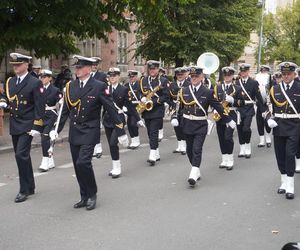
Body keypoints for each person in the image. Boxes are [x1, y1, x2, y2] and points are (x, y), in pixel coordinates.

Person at [50, 55, 128, 210]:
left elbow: (111, 108)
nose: (77, 70)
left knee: (83, 162)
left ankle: (92, 194)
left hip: (90, 130)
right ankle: (84, 196)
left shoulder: (99, 86)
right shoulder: (70, 86)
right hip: (75, 131)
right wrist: (55, 130)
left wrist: (120, 130)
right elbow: (64, 111)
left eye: (79, 67)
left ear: (88, 69)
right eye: (76, 67)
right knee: (77, 166)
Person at [176, 66, 235, 186]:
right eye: (192, 76)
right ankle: (196, 169)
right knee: (189, 150)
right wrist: (174, 118)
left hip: (200, 125)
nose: (194, 78)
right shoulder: (183, 90)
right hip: (187, 124)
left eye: (196, 76)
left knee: (197, 149)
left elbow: (219, 106)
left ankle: (193, 173)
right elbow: (179, 107)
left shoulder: (208, 92)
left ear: (202, 77)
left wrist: (228, 119)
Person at [0, 53, 45, 202]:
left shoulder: (34, 82)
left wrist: (37, 126)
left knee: (21, 154)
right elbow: (6, 96)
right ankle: (31, 186)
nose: (15, 67)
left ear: (26, 65)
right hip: (15, 123)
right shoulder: (11, 81)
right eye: (13, 65)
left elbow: (39, 106)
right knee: (22, 156)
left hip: (27, 125)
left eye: (18, 65)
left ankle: (24, 190)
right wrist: (3, 101)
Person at [266, 61, 300, 199]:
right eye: (284, 74)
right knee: (280, 154)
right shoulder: (275, 89)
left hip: (295, 125)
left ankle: (290, 184)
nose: (286, 76)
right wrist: (269, 118)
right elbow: (268, 106)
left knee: (289, 154)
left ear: (294, 74)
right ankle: (283, 181)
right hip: (279, 125)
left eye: (289, 74)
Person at [103, 67, 143, 178]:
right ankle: (115, 166)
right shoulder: (105, 89)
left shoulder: (123, 89)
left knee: (112, 142)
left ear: (118, 76)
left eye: (114, 76)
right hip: (107, 119)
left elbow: (130, 106)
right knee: (111, 146)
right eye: (110, 76)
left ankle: (118, 168)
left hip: (119, 120)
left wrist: (138, 119)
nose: (112, 78)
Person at [214, 67, 245, 170]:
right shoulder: (217, 87)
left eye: (229, 75)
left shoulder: (237, 88)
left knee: (228, 137)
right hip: (220, 115)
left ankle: (230, 159)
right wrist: (214, 109)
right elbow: (214, 100)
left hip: (231, 114)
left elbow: (242, 103)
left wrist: (233, 100)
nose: (227, 77)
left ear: (232, 76)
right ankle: (224, 159)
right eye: (226, 75)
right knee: (221, 138)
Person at [139, 60, 169, 166]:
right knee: (149, 133)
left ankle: (152, 155)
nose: (152, 71)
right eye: (150, 69)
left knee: (153, 132)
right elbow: (139, 91)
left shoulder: (163, 81)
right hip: (146, 111)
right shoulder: (143, 80)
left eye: (154, 69)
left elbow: (166, 96)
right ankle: (156, 153)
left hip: (157, 110)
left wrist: (154, 102)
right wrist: (141, 98)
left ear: (158, 69)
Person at [236, 63, 265, 158]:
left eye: (245, 71)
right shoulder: (236, 83)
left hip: (249, 108)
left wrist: (263, 109)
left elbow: (258, 97)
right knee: (240, 129)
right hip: (239, 109)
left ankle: (248, 146)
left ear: (248, 72)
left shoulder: (254, 83)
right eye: (242, 71)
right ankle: (242, 148)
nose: (243, 73)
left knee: (246, 128)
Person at [38, 69, 62, 172]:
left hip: (51, 115)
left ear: (50, 78)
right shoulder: (38, 89)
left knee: (45, 137)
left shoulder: (55, 90)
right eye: (41, 77)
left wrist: (61, 101)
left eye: (44, 77)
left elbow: (61, 102)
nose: (42, 79)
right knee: (44, 137)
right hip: (40, 115)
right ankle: (51, 160)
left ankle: (45, 161)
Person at [169, 67, 190, 155]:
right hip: (175, 109)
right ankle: (179, 145)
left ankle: (184, 146)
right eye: (178, 75)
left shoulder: (188, 84)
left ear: (185, 75)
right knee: (176, 127)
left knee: (183, 127)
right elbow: (169, 97)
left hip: (185, 109)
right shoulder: (172, 85)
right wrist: (171, 106)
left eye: (181, 74)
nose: (180, 76)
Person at [91, 57, 108, 158]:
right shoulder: (86, 75)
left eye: (95, 65)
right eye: (92, 65)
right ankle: (92, 147)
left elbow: (106, 89)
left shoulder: (102, 76)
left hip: (98, 104)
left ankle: (98, 148)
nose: (94, 66)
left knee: (96, 126)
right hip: (88, 104)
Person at [124, 70, 142, 149]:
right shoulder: (126, 85)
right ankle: (133, 141)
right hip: (128, 107)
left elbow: (142, 94)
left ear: (136, 77)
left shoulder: (139, 85)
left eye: (133, 77)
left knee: (133, 123)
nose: (131, 78)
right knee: (129, 125)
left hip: (137, 106)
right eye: (130, 77)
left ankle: (137, 141)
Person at [255, 65, 272, 147]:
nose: (263, 72)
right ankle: (261, 140)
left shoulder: (270, 78)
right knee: (259, 121)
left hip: (268, 103)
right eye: (262, 71)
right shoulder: (257, 78)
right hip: (259, 102)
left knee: (267, 121)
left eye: (265, 71)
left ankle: (268, 138)